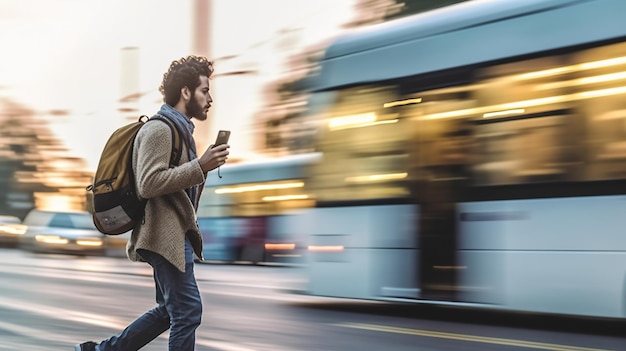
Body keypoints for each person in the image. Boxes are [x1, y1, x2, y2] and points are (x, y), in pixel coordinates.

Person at [75, 55, 230, 351]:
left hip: (172, 233)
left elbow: (179, 185)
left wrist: (202, 168)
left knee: (169, 312)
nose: (210, 99)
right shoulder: (160, 130)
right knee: (188, 311)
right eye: (204, 91)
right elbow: (149, 183)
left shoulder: (181, 131)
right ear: (186, 92)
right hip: (163, 236)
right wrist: (200, 166)